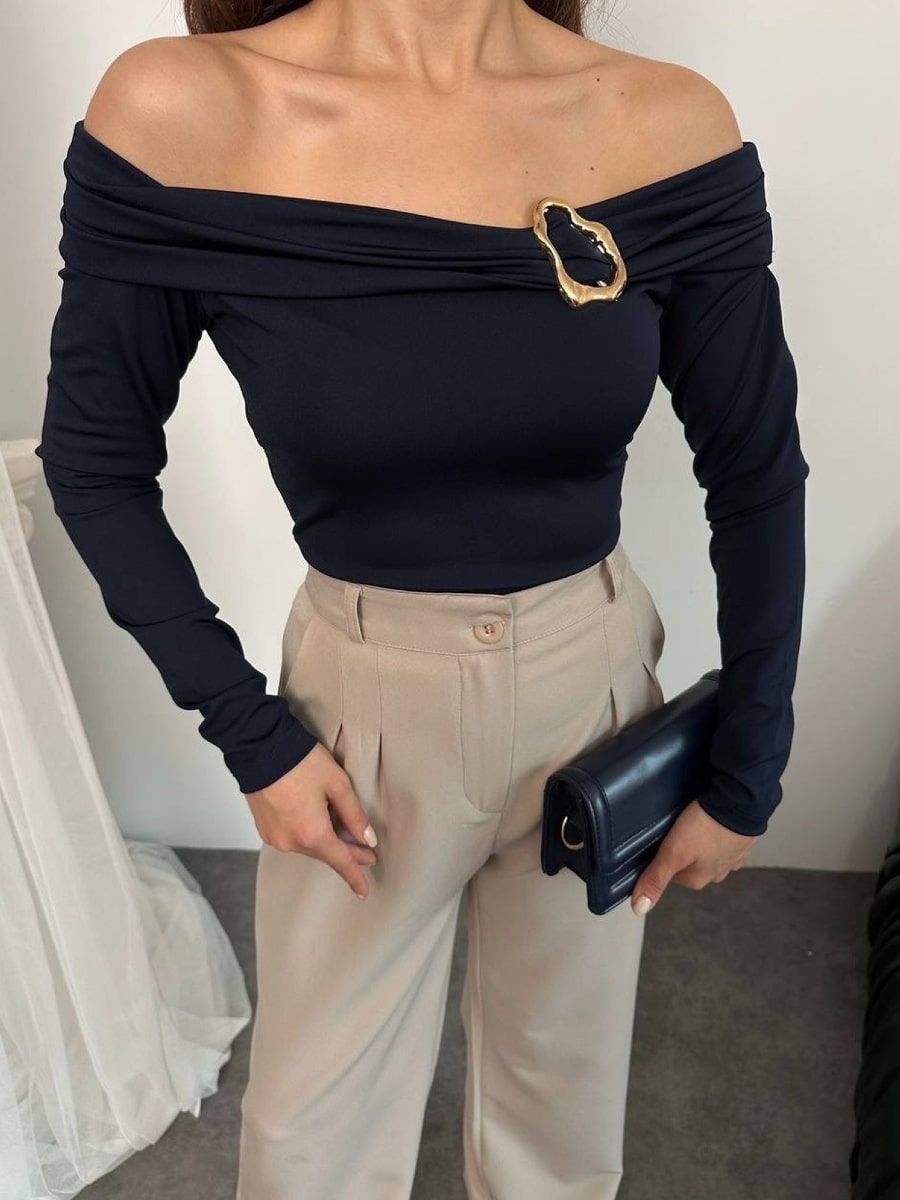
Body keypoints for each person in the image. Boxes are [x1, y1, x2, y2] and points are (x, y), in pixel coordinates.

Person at [34, 1, 810, 1197]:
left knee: (560, 1133)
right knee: (314, 1149)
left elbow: (754, 471)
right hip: (360, 711)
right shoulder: (183, 108)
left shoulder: (664, 120)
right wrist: (250, 735)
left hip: (597, 689)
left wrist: (750, 761)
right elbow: (95, 460)